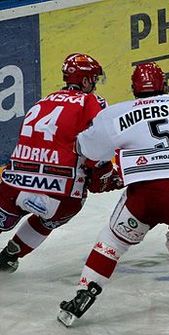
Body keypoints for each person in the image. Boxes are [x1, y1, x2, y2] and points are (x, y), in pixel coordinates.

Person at [57, 62, 169, 327]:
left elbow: (86, 147)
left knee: (113, 241)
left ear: (133, 89)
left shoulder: (119, 112)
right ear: (164, 85)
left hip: (149, 193)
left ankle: (86, 291)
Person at [0, 53, 117, 273]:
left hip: (13, 184)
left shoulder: (43, 100)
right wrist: (105, 175)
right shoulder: (92, 102)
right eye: (92, 79)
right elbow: (97, 146)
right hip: (58, 194)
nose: (94, 84)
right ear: (85, 81)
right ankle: (10, 255)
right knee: (63, 208)